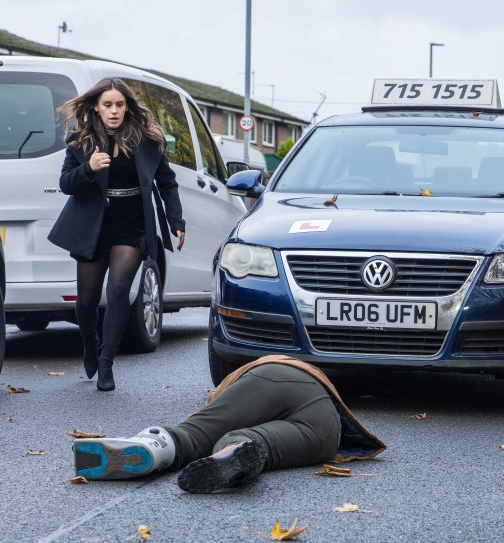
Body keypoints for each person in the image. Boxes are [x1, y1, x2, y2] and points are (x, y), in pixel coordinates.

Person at [72, 355, 386, 493]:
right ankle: (233, 455)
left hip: (273, 374)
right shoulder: (326, 428)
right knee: (255, 443)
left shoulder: (229, 389)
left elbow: (210, 411)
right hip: (324, 426)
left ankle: (149, 445)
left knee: (194, 435)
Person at [48, 78, 185, 391]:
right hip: (94, 226)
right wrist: (89, 168)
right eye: (107, 105)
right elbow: (66, 183)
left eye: (119, 105)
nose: (114, 111)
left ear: (127, 107)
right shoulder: (82, 140)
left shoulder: (147, 139)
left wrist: (176, 220)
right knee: (86, 301)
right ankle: (90, 342)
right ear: (96, 106)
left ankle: (107, 362)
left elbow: (167, 182)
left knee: (119, 288)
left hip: (132, 223)